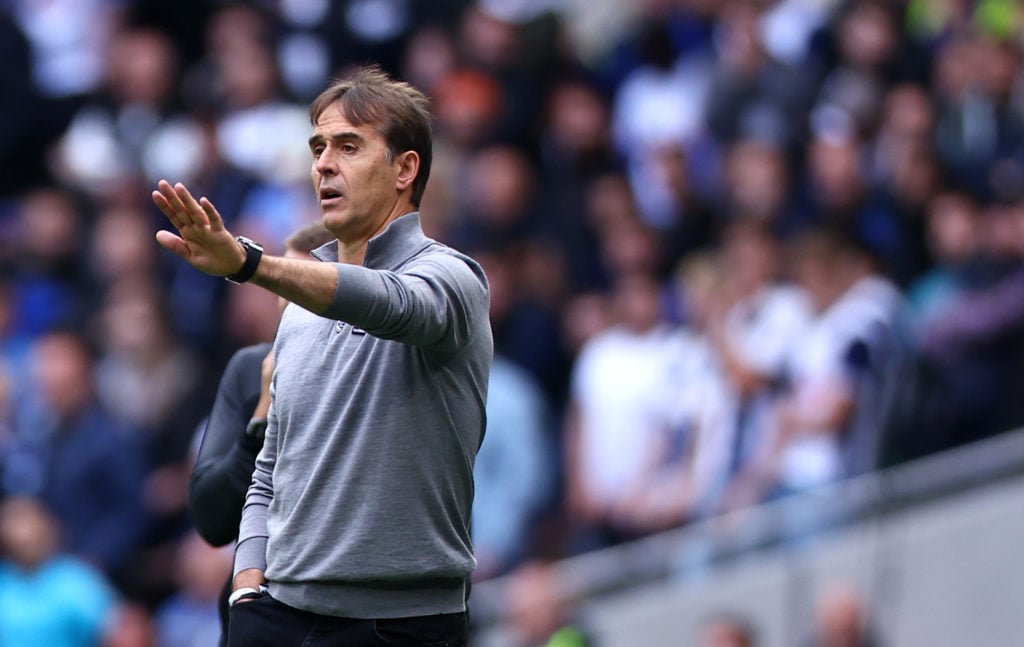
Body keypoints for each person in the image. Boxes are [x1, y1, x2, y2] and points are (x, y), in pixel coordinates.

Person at [152, 65, 492, 646]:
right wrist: (248, 581)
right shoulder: (300, 313)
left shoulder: (453, 277)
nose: (323, 164)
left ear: (406, 169)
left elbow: (389, 303)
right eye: (318, 147)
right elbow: (268, 471)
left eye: (349, 146)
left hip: (403, 624)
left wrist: (249, 264)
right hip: (276, 612)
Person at [187, 220, 336, 646]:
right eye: (282, 290)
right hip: (261, 601)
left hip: (348, 605)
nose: (289, 304)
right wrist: (263, 415)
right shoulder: (251, 368)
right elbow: (212, 520)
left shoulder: (378, 371)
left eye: (303, 289)